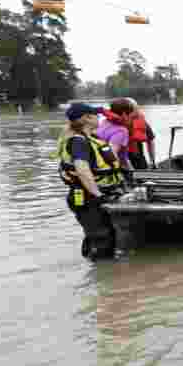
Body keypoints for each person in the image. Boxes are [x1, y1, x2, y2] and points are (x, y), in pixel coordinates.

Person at [56, 103, 126, 260]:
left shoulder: (91, 138)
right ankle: (102, 274)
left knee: (104, 236)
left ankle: (100, 270)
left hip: (96, 196)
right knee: (101, 238)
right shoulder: (78, 142)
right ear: (87, 118)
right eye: (96, 115)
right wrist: (98, 195)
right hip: (88, 198)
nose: (99, 117)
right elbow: (82, 169)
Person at [96, 98, 135, 173]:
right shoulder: (121, 131)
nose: (131, 117)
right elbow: (112, 155)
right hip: (109, 171)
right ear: (124, 114)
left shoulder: (104, 122)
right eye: (130, 114)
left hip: (97, 166)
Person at [124, 97, 156, 169]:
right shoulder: (118, 124)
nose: (137, 110)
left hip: (137, 157)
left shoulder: (141, 121)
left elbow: (150, 141)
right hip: (124, 159)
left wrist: (152, 161)